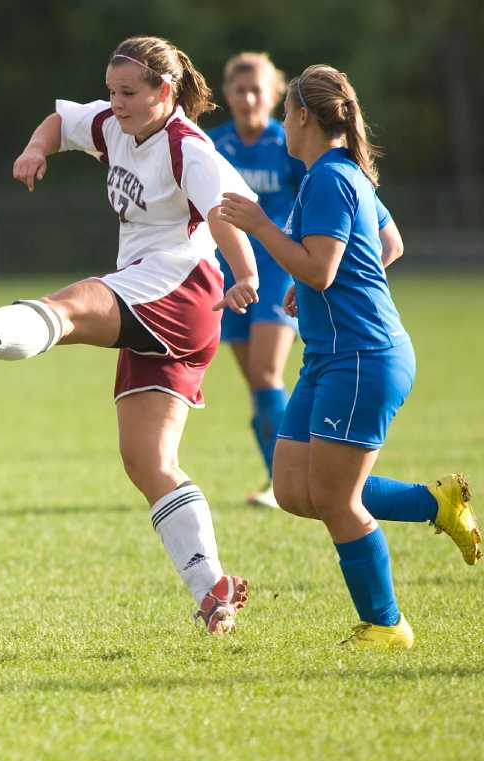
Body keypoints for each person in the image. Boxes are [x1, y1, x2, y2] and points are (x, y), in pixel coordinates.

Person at [0, 35, 261, 634]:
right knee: (148, 462)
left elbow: (225, 212)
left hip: (180, 290)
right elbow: (60, 120)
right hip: (160, 299)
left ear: (164, 93)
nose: (113, 103)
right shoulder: (114, 121)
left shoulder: (187, 147)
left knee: (68, 307)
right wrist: (34, 150)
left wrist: (245, 272)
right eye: (110, 90)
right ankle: (212, 587)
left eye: (127, 93)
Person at [220, 64, 481, 649]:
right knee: (293, 488)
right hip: (329, 356)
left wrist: (267, 230)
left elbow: (322, 265)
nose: (282, 124)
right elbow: (389, 243)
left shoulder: (330, 180)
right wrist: (312, 282)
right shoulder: (338, 174)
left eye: (287, 113)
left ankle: (387, 625)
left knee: (337, 500)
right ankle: (434, 502)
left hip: (362, 356)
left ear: (304, 115)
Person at [207, 53, 307, 508]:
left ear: (274, 95)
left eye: (257, 90)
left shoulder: (287, 145)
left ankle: (288, 480)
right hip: (227, 274)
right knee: (258, 386)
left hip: (275, 271)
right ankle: (280, 477)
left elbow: (313, 202)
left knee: (268, 375)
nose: (248, 98)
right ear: (227, 94)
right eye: (239, 90)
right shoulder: (212, 146)